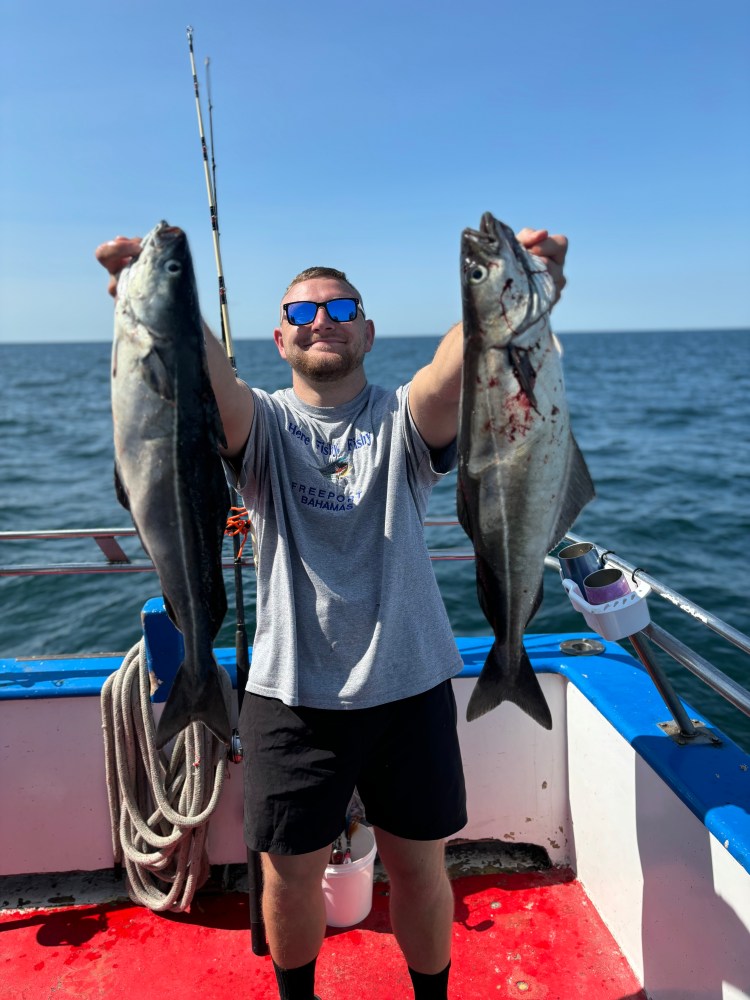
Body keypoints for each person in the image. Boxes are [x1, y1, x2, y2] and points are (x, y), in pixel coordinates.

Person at [96, 226, 567, 1000]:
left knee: (420, 868)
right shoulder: (262, 424)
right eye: (304, 311)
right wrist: (153, 299)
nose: (324, 320)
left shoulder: (405, 418)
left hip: (410, 682)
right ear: (278, 336)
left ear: (368, 331)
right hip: (288, 694)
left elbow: (458, 369)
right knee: (286, 878)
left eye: (341, 307)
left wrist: (521, 290)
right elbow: (208, 382)